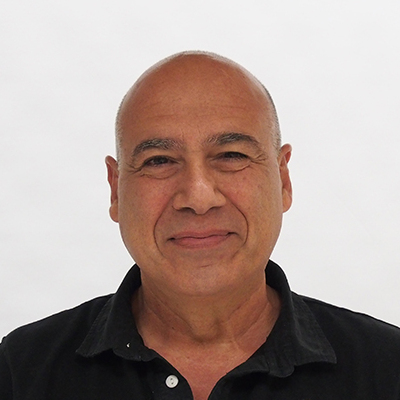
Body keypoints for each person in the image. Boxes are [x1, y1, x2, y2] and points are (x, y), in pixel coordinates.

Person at [1, 51, 399, 400]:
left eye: (231, 155)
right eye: (159, 161)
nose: (198, 196)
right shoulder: (19, 373)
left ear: (282, 180)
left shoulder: (387, 369)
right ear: (116, 189)